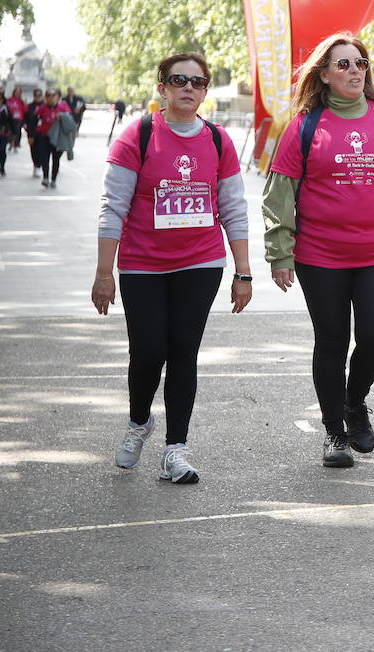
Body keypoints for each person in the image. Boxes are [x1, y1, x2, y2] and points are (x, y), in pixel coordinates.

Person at [263, 31, 374, 469]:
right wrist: (279, 252)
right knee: (332, 341)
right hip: (319, 256)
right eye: (343, 64)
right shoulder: (304, 126)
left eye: (360, 63)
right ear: (323, 75)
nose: (354, 71)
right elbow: (279, 193)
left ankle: (354, 400)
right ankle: (334, 434)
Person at [93, 52, 253, 484]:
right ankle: (139, 422)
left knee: (183, 351)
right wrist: (104, 273)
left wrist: (243, 272)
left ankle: (175, 450)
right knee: (147, 353)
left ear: (205, 92)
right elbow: (113, 208)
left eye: (198, 82)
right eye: (179, 80)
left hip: (200, 263)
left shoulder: (219, 141)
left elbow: (234, 210)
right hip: (143, 264)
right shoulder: (137, 136)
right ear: (161, 87)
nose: (189, 88)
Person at [34, 89, 73, 188]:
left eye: (53, 95)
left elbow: (70, 120)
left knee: (56, 159)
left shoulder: (63, 107)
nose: (51, 97)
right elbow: (34, 120)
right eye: (48, 95)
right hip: (44, 137)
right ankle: (46, 177)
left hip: (58, 139)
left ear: (58, 96)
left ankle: (54, 179)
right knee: (44, 159)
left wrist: (62, 117)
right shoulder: (42, 108)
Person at [23, 89, 43, 177]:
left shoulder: (45, 106)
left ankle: (39, 166)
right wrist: (24, 125)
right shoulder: (29, 106)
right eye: (36, 95)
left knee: (42, 150)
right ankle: (36, 165)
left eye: (39, 95)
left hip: (43, 132)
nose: (37, 97)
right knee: (34, 150)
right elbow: (25, 117)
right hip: (32, 131)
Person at [6, 87, 25, 152]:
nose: (17, 93)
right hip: (10, 118)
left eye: (19, 92)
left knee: (17, 131)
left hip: (18, 119)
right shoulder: (9, 100)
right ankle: (11, 143)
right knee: (10, 131)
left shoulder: (21, 101)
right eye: (16, 92)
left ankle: (15, 144)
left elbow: (23, 110)